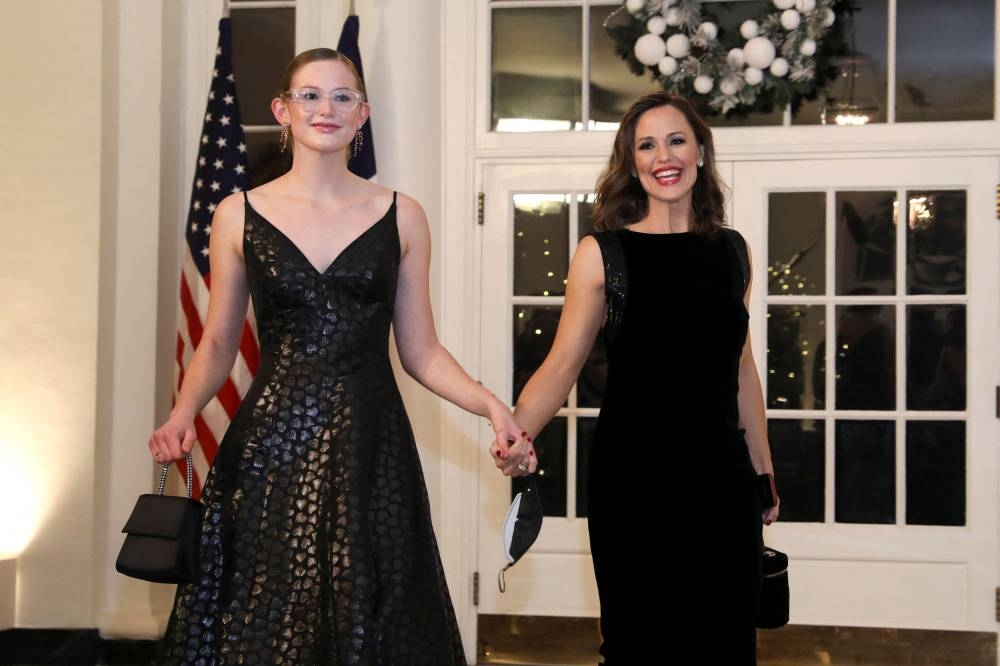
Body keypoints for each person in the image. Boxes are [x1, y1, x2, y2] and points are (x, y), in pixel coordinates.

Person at [150, 48, 526, 665]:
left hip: (371, 445)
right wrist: (182, 412)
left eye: (342, 96)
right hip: (271, 445)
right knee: (266, 613)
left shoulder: (403, 215)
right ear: (283, 111)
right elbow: (217, 342)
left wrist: (491, 406)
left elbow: (421, 350)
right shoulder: (237, 213)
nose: (326, 108)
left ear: (362, 114)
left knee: (375, 608)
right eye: (310, 95)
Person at [490, 92, 781, 665]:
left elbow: (742, 369)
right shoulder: (603, 253)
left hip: (722, 481)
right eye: (646, 145)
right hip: (633, 481)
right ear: (631, 161)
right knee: (638, 644)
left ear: (700, 151)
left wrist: (764, 470)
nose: (663, 157)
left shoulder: (733, 251)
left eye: (676, 140)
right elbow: (562, 365)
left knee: (726, 642)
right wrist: (515, 434)